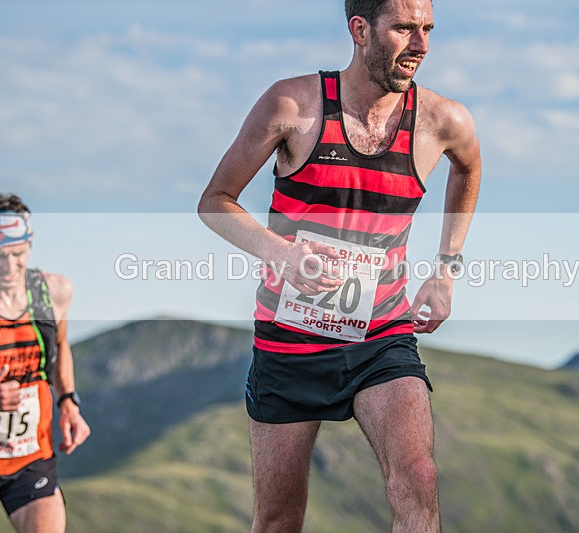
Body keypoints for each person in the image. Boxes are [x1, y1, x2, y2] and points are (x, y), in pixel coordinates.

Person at [198, 0, 480, 530]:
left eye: (427, 29)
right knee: (280, 518)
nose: (421, 45)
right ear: (360, 30)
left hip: (381, 336)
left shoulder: (443, 120)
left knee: (418, 477)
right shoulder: (292, 105)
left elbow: (468, 167)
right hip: (290, 339)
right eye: (404, 29)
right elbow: (214, 202)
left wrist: (445, 270)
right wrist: (280, 252)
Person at [0, 194, 91, 532]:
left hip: (31, 458)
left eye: (18, 254)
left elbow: (60, 345)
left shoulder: (55, 292)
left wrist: (68, 402)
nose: (10, 266)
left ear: (30, 243)